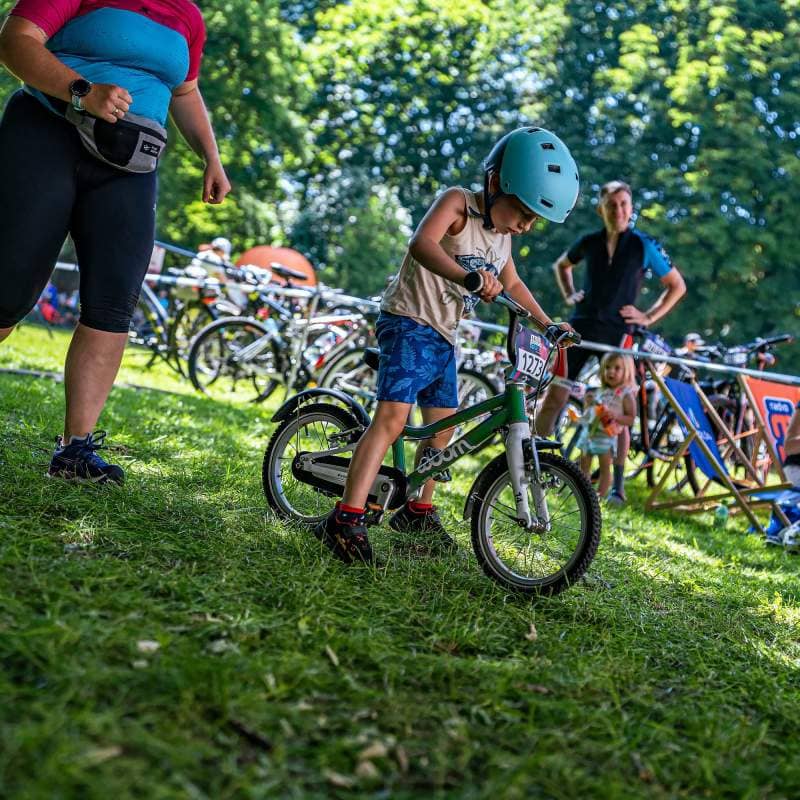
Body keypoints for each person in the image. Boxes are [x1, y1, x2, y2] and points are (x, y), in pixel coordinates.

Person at [313, 126, 580, 564]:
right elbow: (422, 244)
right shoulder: (459, 204)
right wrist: (467, 276)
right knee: (392, 418)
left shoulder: (503, 236)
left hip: (443, 335)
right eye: (524, 213)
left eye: (533, 220)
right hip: (407, 322)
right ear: (496, 184)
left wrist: (548, 324)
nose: (527, 226)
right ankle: (345, 517)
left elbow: (512, 282)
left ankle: (416, 510)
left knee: (444, 428)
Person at [0, 0, 231, 484]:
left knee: (113, 301)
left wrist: (211, 156)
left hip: (130, 164)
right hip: (48, 131)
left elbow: (185, 91)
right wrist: (81, 91)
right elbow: (15, 39)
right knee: (9, 284)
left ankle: (74, 452)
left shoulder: (188, 16)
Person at [537, 179, 687, 504]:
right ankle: (533, 461)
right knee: (556, 392)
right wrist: (568, 293)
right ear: (600, 208)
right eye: (611, 204)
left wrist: (648, 317)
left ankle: (617, 485)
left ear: (631, 208)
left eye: (623, 204)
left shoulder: (644, 245)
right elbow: (561, 265)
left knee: (619, 408)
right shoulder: (589, 241)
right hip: (581, 326)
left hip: (619, 334)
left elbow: (676, 285)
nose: (618, 210)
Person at [576, 353, 636, 500]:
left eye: (617, 368)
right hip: (589, 433)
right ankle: (584, 494)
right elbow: (590, 412)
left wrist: (615, 416)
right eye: (607, 368)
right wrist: (588, 403)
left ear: (626, 372)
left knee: (604, 468)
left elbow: (630, 419)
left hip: (606, 437)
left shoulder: (625, 394)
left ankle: (599, 497)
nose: (611, 372)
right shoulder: (599, 390)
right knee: (584, 465)